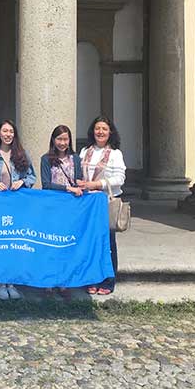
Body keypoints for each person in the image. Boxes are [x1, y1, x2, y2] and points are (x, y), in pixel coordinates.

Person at [0, 120, 36, 301]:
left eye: (11, 131)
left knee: (14, 244)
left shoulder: (22, 153)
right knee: (0, 244)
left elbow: (32, 176)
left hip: (17, 205)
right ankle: (1, 282)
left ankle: (11, 282)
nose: (8, 134)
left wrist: (22, 182)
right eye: (4, 131)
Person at [77, 116, 126, 296]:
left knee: (107, 243)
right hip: (87, 204)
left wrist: (97, 184)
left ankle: (108, 280)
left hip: (105, 203)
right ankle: (91, 279)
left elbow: (120, 179)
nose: (100, 132)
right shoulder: (85, 151)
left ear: (110, 132)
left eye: (104, 129)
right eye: (97, 128)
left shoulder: (115, 154)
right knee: (89, 242)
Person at [40, 124, 84, 302]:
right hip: (52, 208)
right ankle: (49, 282)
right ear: (53, 140)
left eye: (66, 139)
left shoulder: (76, 159)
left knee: (67, 246)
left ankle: (64, 283)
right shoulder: (46, 159)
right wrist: (68, 188)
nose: (62, 143)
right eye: (59, 139)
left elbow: (79, 181)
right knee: (51, 245)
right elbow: (46, 184)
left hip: (71, 209)